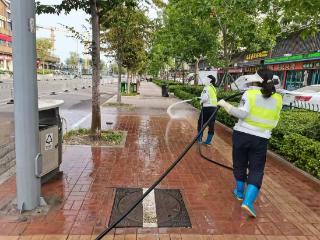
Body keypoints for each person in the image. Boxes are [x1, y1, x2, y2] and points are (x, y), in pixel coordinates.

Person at [218, 69, 282, 218]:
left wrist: (225, 105)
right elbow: (275, 120)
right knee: (256, 169)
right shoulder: (278, 98)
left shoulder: (250, 94)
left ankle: (239, 192)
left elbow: (241, 114)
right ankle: (248, 201)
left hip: (242, 135)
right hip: (261, 139)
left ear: (257, 80)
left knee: (239, 163)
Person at [197, 75, 218, 145]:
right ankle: (208, 141)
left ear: (209, 80)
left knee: (200, 123)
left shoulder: (206, 88)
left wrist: (200, 101)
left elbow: (205, 98)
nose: (205, 80)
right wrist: (199, 97)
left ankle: (199, 139)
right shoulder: (213, 88)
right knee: (211, 124)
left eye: (206, 79)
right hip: (214, 108)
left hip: (207, 108)